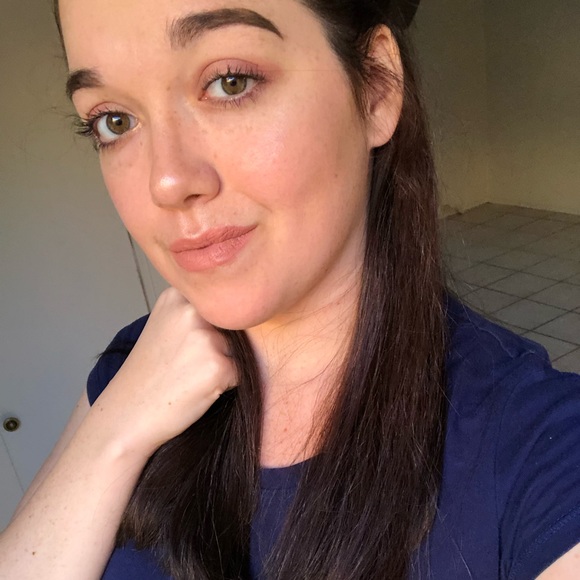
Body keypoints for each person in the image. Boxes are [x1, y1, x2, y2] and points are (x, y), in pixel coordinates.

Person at [1, 0, 580, 578]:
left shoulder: (538, 447)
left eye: (230, 82)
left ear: (376, 89)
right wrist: (114, 433)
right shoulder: (135, 367)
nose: (167, 181)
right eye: (112, 121)